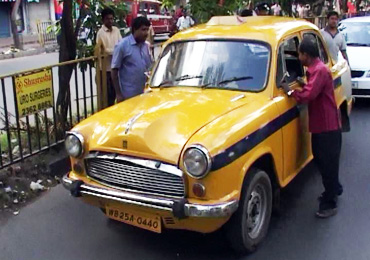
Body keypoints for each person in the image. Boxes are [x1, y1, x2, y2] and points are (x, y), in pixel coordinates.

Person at [283, 36, 343, 219]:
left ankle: (329, 202)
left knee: (326, 163)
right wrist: (302, 83)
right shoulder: (316, 69)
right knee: (323, 159)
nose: (298, 57)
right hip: (324, 125)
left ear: (306, 55)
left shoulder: (319, 71)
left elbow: (308, 95)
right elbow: (312, 87)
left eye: (299, 54)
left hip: (327, 127)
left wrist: (290, 91)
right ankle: (334, 188)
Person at [111, 17, 153, 102]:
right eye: (143, 30)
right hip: (129, 96)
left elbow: (149, 67)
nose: (146, 33)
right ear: (134, 29)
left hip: (144, 94)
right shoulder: (122, 46)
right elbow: (114, 71)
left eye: (147, 30)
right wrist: (118, 94)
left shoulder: (146, 46)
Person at [96, 8, 122, 106]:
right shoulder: (100, 33)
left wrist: (113, 51)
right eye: (108, 19)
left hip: (116, 67)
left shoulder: (116, 30)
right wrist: (114, 51)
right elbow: (102, 50)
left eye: (112, 19)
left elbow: (121, 45)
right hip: (106, 69)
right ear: (103, 20)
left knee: (118, 93)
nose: (110, 21)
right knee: (108, 96)